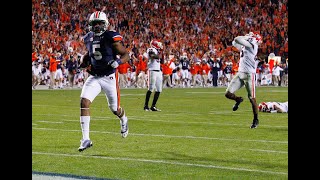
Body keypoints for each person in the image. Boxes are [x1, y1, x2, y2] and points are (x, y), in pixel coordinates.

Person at [78, 11, 130, 152]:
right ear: (90, 25)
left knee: (115, 109)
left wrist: (118, 61)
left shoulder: (110, 37)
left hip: (109, 77)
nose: (97, 26)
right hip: (95, 76)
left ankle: (124, 119)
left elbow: (126, 54)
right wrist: (82, 63)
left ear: (105, 24)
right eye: (95, 24)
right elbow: (90, 55)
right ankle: (85, 139)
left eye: (100, 23)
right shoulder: (88, 38)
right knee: (84, 102)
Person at [225, 32, 262, 129]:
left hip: (250, 75)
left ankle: (256, 119)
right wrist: (248, 36)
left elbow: (237, 39)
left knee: (252, 99)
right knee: (228, 94)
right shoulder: (245, 46)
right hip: (240, 73)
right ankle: (238, 100)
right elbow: (234, 42)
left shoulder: (252, 45)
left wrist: (247, 36)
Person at [143, 39, 164, 111]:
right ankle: (146, 106)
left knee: (159, 89)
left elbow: (163, 61)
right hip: (152, 71)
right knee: (151, 88)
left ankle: (153, 106)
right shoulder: (151, 49)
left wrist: (161, 52)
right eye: (158, 44)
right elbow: (152, 55)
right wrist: (159, 53)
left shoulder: (158, 51)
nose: (159, 45)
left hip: (158, 71)